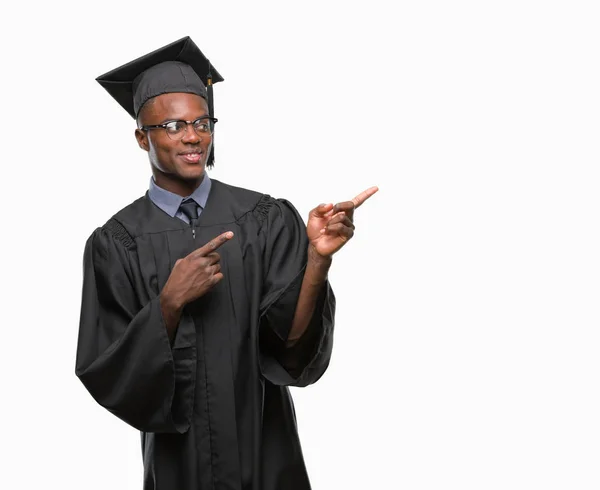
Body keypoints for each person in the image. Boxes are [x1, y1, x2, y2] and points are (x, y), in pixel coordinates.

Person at [75, 36, 378, 490]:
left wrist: (316, 260)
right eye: (174, 125)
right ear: (142, 137)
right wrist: (169, 304)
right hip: (180, 467)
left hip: (267, 454)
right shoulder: (117, 243)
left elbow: (292, 350)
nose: (193, 135)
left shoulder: (264, 218)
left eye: (202, 121)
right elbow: (109, 370)